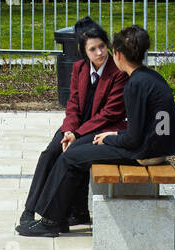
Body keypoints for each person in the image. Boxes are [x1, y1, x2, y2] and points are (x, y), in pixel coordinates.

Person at [17, 24, 175, 237]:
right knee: (71, 153)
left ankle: (50, 222)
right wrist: (114, 135)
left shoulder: (133, 84)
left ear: (117, 54)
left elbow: (132, 140)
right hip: (155, 147)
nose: (100, 53)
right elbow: (139, 129)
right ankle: (64, 214)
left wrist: (110, 139)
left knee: (72, 156)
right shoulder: (150, 77)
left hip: (145, 153)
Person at [17, 18, 125, 232]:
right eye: (92, 49)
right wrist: (69, 130)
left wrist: (76, 134)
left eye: (102, 46)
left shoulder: (118, 72)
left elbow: (108, 114)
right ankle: (30, 210)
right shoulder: (80, 68)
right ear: (84, 52)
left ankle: (66, 215)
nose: (99, 53)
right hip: (76, 125)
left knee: (71, 153)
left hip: (102, 127)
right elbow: (73, 103)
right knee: (50, 152)